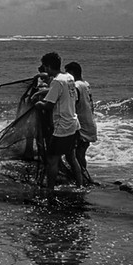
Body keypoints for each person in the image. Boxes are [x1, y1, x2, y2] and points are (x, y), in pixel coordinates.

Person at [35, 52, 80, 189]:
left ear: (48, 66)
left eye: (45, 66)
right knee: (72, 158)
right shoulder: (69, 77)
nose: (44, 69)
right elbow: (65, 94)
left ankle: (50, 191)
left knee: (52, 160)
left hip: (62, 127)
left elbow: (49, 105)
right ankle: (80, 185)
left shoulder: (56, 81)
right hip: (73, 124)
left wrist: (38, 104)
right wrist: (44, 92)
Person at [65, 61, 97, 185]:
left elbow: (72, 104)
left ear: (72, 73)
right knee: (81, 153)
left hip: (81, 125)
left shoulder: (76, 86)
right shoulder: (86, 84)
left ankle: (82, 179)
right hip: (89, 123)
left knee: (76, 154)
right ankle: (85, 176)